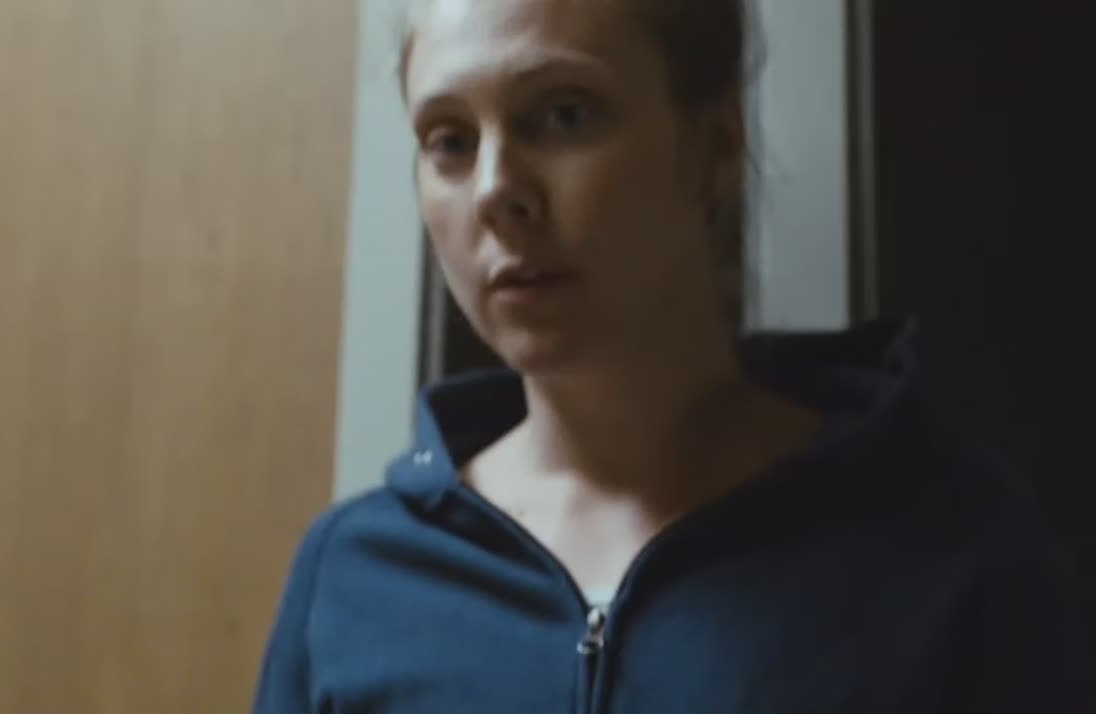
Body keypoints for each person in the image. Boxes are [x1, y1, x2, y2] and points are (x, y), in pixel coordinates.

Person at [254, 0, 1092, 711]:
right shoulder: (356, 579)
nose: (496, 190)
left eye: (565, 114)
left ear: (715, 149)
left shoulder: (950, 549)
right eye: (449, 140)